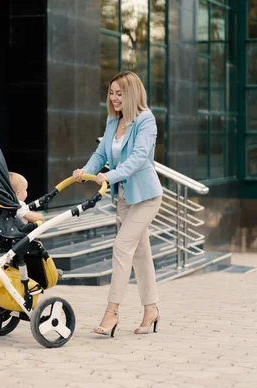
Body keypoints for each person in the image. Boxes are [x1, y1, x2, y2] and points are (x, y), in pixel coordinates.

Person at [73, 71, 163, 337]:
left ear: (132, 93)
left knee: (122, 247)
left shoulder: (146, 121)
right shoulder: (114, 121)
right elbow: (101, 153)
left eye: (119, 94)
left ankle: (111, 312)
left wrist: (108, 176)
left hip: (146, 197)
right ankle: (152, 309)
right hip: (125, 198)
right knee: (140, 254)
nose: (113, 98)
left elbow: (137, 158)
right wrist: (85, 172)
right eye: (111, 93)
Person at [9, 172, 63, 280]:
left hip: (11, 234)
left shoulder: (5, 203)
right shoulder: (18, 205)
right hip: (19, 236)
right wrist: (40, 217)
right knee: (37, 246)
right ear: (18, 193)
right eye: (26, 190)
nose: (27, 192)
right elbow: (28, 216)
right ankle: (47, 272)